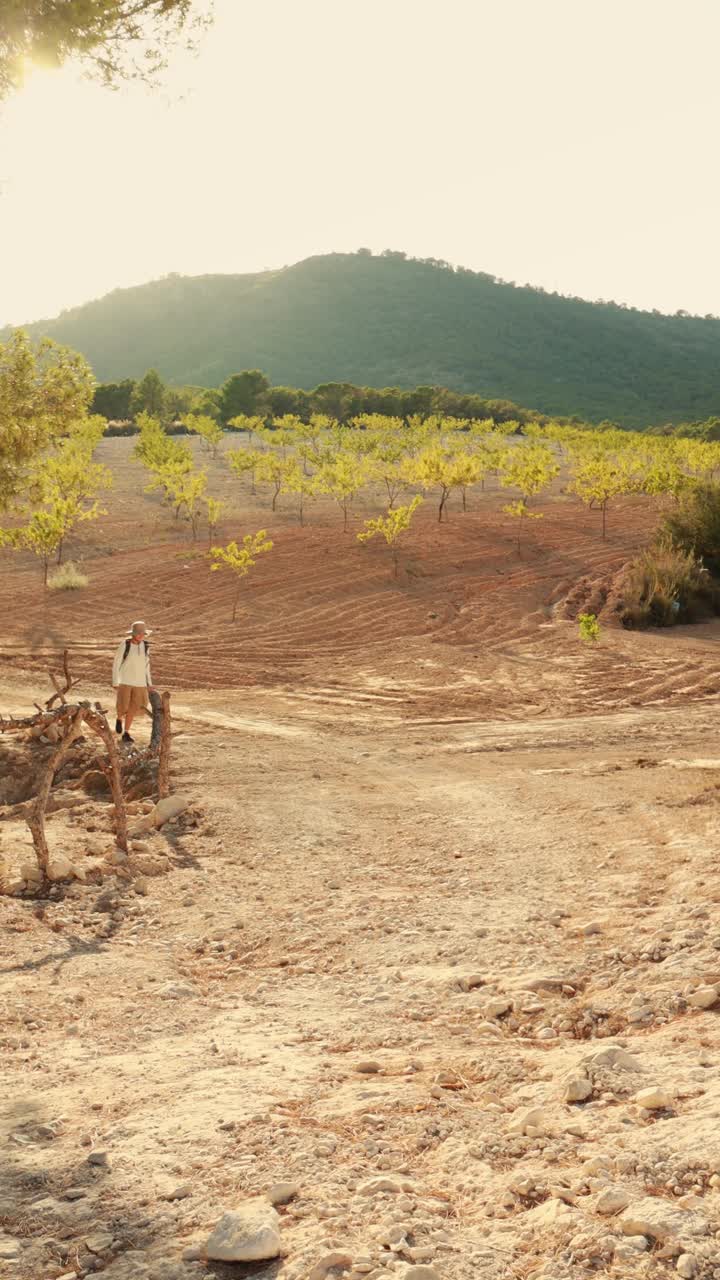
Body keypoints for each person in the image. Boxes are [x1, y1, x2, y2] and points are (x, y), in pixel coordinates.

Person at [112, 620, 154, 743]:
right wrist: (115, 681)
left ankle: (126, 733)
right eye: (138, 633)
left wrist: (149, 683)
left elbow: (147, 666)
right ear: (133, 634)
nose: (141, 636)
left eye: (143, 634)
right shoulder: (125, 644)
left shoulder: (146, 646)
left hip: (140, 683)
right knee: (123, 705)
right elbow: (116, 663)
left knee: (134, 708)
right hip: (125, 680)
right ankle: (119, 718)